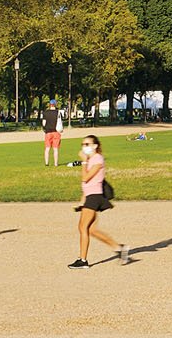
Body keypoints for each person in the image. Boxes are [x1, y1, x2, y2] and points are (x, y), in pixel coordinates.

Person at [71, 135, 125, 268]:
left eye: (87, 144)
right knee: (92, 230)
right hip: (91, 196)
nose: (84, 147)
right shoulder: (91, 159)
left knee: (82, 227)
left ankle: (83, 260)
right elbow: (87, 186)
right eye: (83, 144)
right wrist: (82, 201)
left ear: (95, 146)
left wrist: (83, 161)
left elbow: (86, 178)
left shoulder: (97, 159)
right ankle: (119, 248)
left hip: (95, 197)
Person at [42, 99, 63, 168]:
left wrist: (45, 129)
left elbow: (43, 123)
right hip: (56, 132)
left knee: (47, 148)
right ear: (55, 104)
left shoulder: (45, 112)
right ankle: (56, 163)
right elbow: (60, 122)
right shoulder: (58, 112)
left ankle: (46, 163)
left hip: (48, 132)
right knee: (55, 149)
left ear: (49, 104)